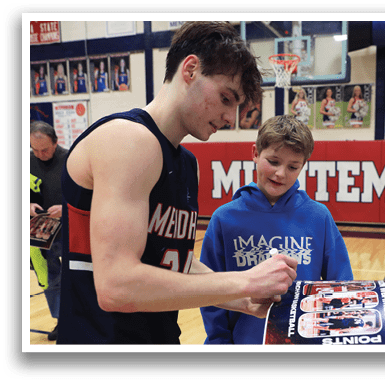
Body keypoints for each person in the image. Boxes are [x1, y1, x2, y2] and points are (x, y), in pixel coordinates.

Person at [57, 21, 298, 345]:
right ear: (190, 69)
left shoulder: (186, 163)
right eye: (226, 98)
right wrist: (245, 282)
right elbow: (116, 286)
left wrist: (245, 301)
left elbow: (174, 263)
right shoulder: (128, 139)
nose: (230, 117)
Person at [199, 115, 353, 344]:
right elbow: (209, 290)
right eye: (273, 161)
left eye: (293, 167)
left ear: (303, 166)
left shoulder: (318, 217)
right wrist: (219, 340)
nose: (281, 173)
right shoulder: (225, 218)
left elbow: (341, 285)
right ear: (255, 153)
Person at [30, 121, 68, 340]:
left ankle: (84, 319)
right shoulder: (28, 161)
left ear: (56, 142)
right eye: (35, 150)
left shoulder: (72, 159)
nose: (40, 154)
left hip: (72, 227)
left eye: (44, 149)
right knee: (50, 278)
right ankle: (60, 320)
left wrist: (64, 208)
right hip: (41, 230)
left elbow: (89, 195)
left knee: (79, 277)